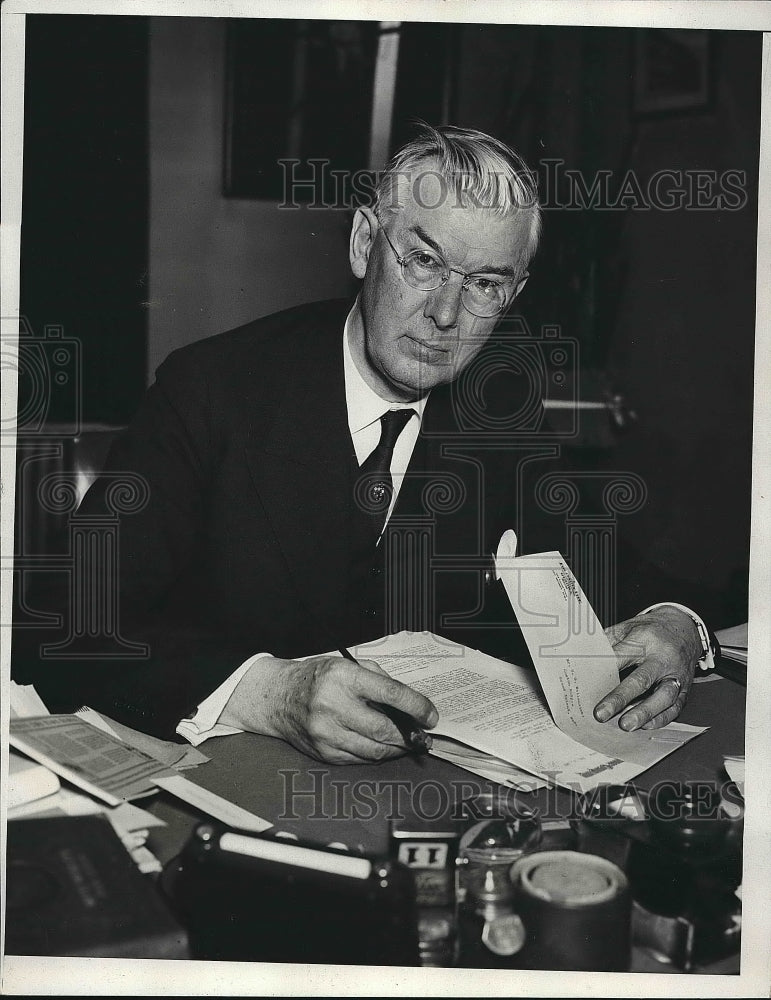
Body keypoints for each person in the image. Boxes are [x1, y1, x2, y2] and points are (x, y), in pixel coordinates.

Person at [13, 125, 715, 763]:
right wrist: (266, 692)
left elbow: (607, 572)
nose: (445, 313)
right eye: (422, 261)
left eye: (484, 284)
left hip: (418, 797)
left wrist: (673, 627)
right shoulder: (212, 388)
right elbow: (68, 623)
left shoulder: (499, 412)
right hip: (226, 777)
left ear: (513, 294)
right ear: (362, 243)